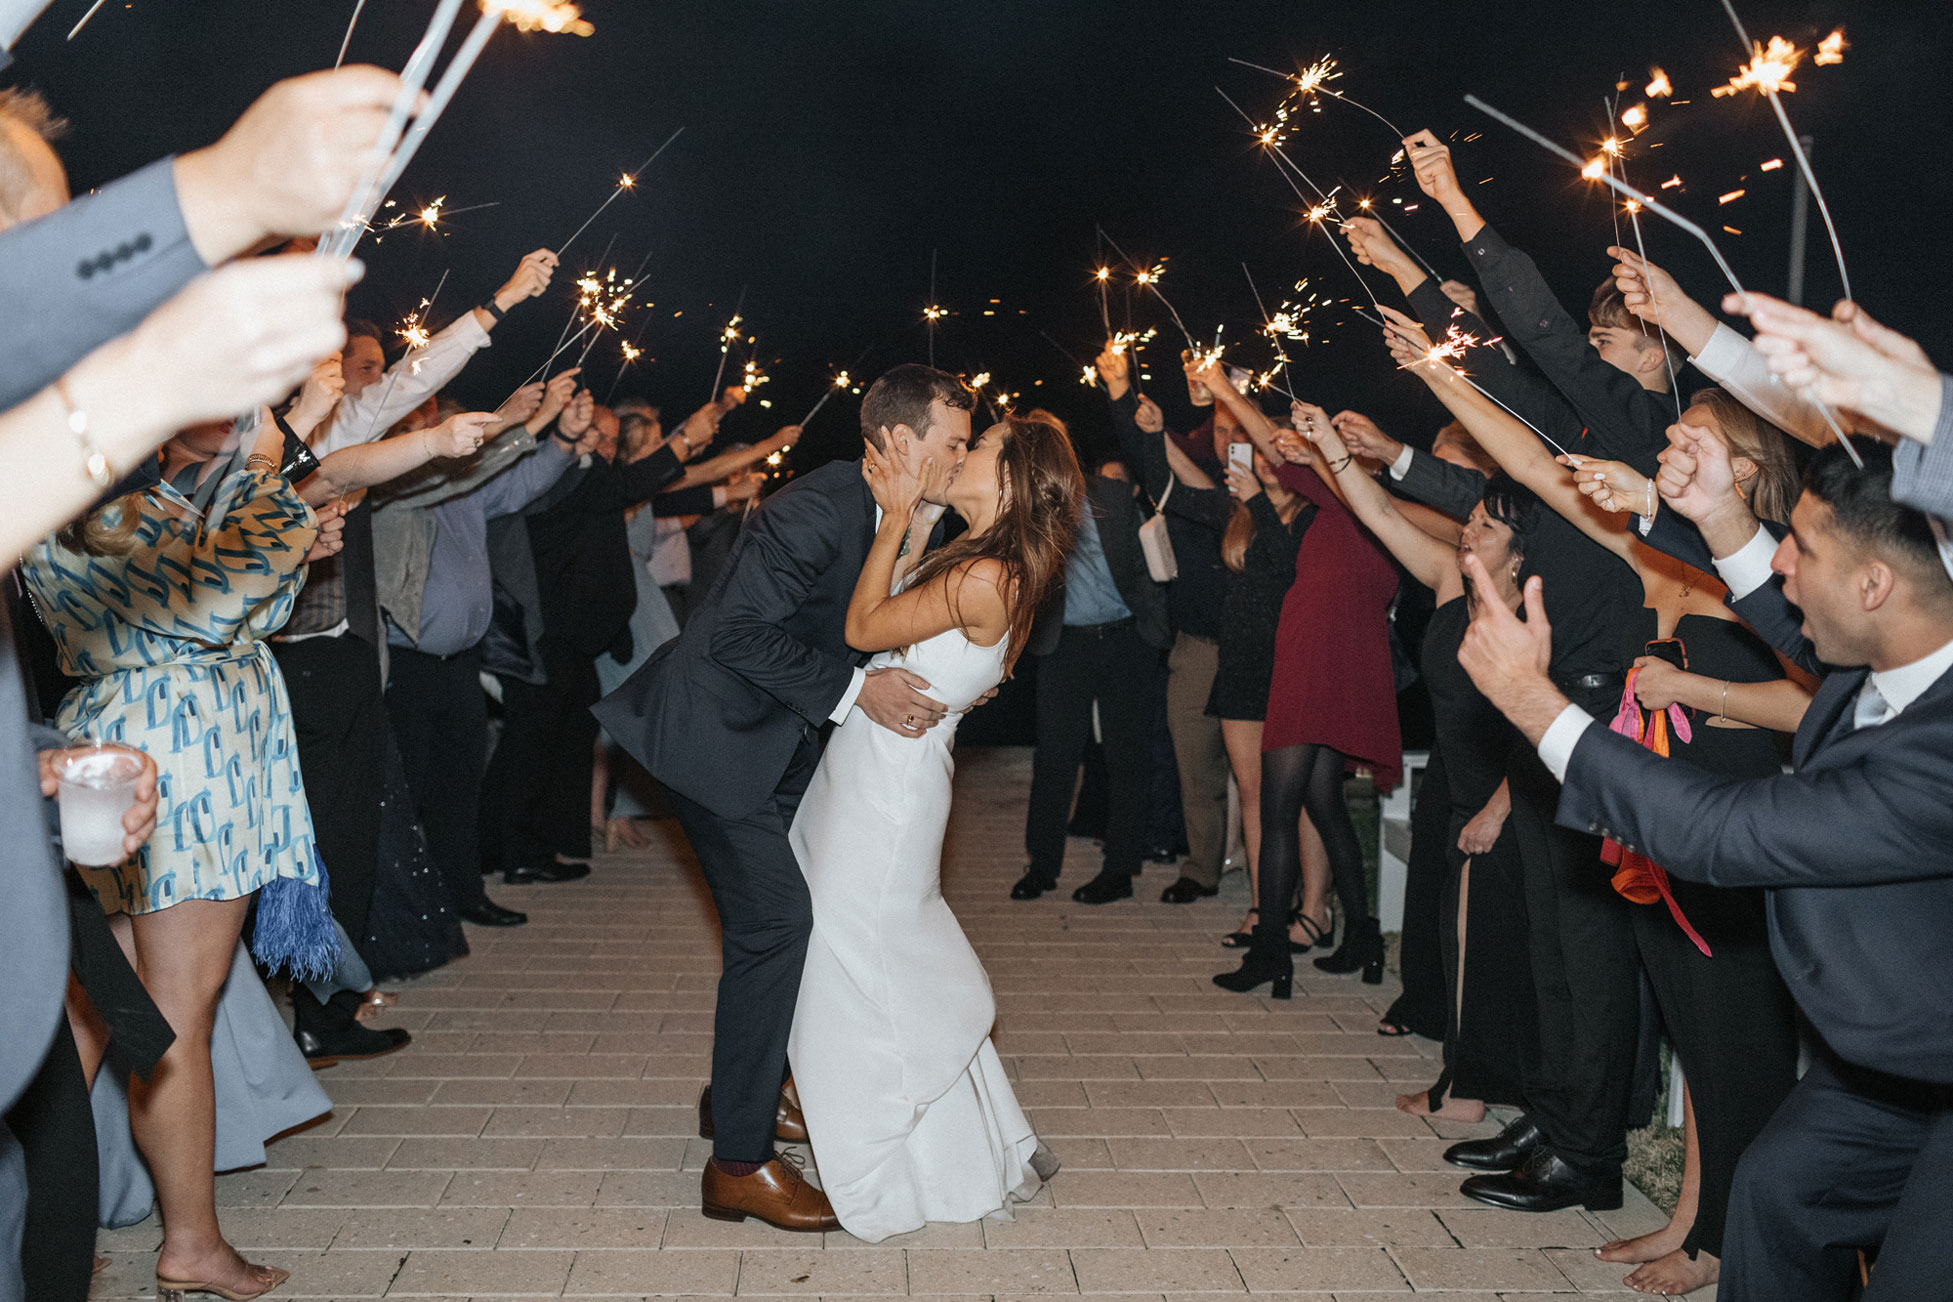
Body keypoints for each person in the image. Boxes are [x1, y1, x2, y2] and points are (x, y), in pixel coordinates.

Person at [1456, 434, 1953, 1302]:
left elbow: (1719, 831)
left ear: (1873, 586)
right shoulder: (1900, 648)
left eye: (1803, 547)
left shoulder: (1938, 752)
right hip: (1902, 1062)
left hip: (1921, 1048)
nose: (1781, 565)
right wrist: (1720, 514)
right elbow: (1771, 603)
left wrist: (1533, 703)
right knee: (1774, 1191)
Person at [593, 364, 972, 1232]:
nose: (960, 458)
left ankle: (741, 1094)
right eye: (952, 442)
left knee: (795, 919)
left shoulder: (908, 511)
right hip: (713, 739)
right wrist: (853, 693)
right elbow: (736, 633)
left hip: (777, 745)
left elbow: (868, 621)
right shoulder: (816, 506)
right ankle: (737, 1164)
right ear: (902, 441)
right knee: (775, 925)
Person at [20, 415, 338, 1302]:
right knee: (171, 1014)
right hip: (183, 759)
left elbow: (251, 602)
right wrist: (273, 474)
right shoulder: (102, 500)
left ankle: (39, 1227)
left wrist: (279, 516)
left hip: (124, 744)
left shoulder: (91, 492)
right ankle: (191, 1244)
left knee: (91, 1005)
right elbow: (216, 600)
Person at [788, 412, 1082, 1241]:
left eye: (976, 448)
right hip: (883, 768)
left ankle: (886, 1140)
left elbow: (860, 629)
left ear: (1014, 477)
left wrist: (890, 522)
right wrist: (916, 525)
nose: (959, 456)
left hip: (888, 784)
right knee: (862, 946)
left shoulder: (986, 574)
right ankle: (940, 1140)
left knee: (857, 953)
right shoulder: (992, 564)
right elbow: (915, 639)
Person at [1297, 414, 1538, 1128]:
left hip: (1508, 795)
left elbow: (1539, 727)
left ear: (1520, 554)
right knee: (1457, 936)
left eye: (1486, 529)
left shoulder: (1529, 616)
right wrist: (1333, 451)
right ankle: (1463, 1082)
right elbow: (1372, 510)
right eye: (1468, 521)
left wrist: (1498, 806)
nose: (1467, 533)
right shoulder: (1445, 581)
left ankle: (1468, 1089)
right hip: (1452, 785)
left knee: (1489, 944)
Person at [1209, 378, 1401, 997]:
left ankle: (1272, 952)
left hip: (1319, 667)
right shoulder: (1355, 510)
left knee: (1278, 806)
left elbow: (1271, 443)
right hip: (1333, 664)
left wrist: (1222, 389)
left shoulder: (1354, 501)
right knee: (1324, 804)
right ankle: (1364, 937)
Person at [1095, 347, 1233, 903]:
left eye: (1235, 430)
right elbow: (1151, 462)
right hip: (1197, 646)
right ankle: (1202, 868)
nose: (1227, 441)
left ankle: (1271, 881)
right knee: (1194, 763)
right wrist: (1122, 394)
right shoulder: (1187, 483)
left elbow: (1200, 488)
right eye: (1219, 431)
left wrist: (1161, 437)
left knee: (1264, 775)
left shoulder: (1270, 491)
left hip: (1262, 649)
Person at [1014, 445, 1171, 905]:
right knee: (1054, 758)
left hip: (1125, 639)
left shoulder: (1114, 496)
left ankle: (1120, 870)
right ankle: (1041, 867)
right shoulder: (1034, 510)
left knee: (1127, 759)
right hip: (1067, 645)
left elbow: (1148, 566)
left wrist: (1153, 631)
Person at [1204, 443, 1324, 950]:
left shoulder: (1312, 515)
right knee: (1252, 792)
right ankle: (1261, 906)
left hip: (1293, 667)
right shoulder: (1242, 513)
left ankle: (1314, 909)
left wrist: (1255, 503)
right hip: (1240, 668)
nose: (1267, 464)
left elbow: (1287, 571)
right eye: (1261, 454)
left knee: (1298, 799)